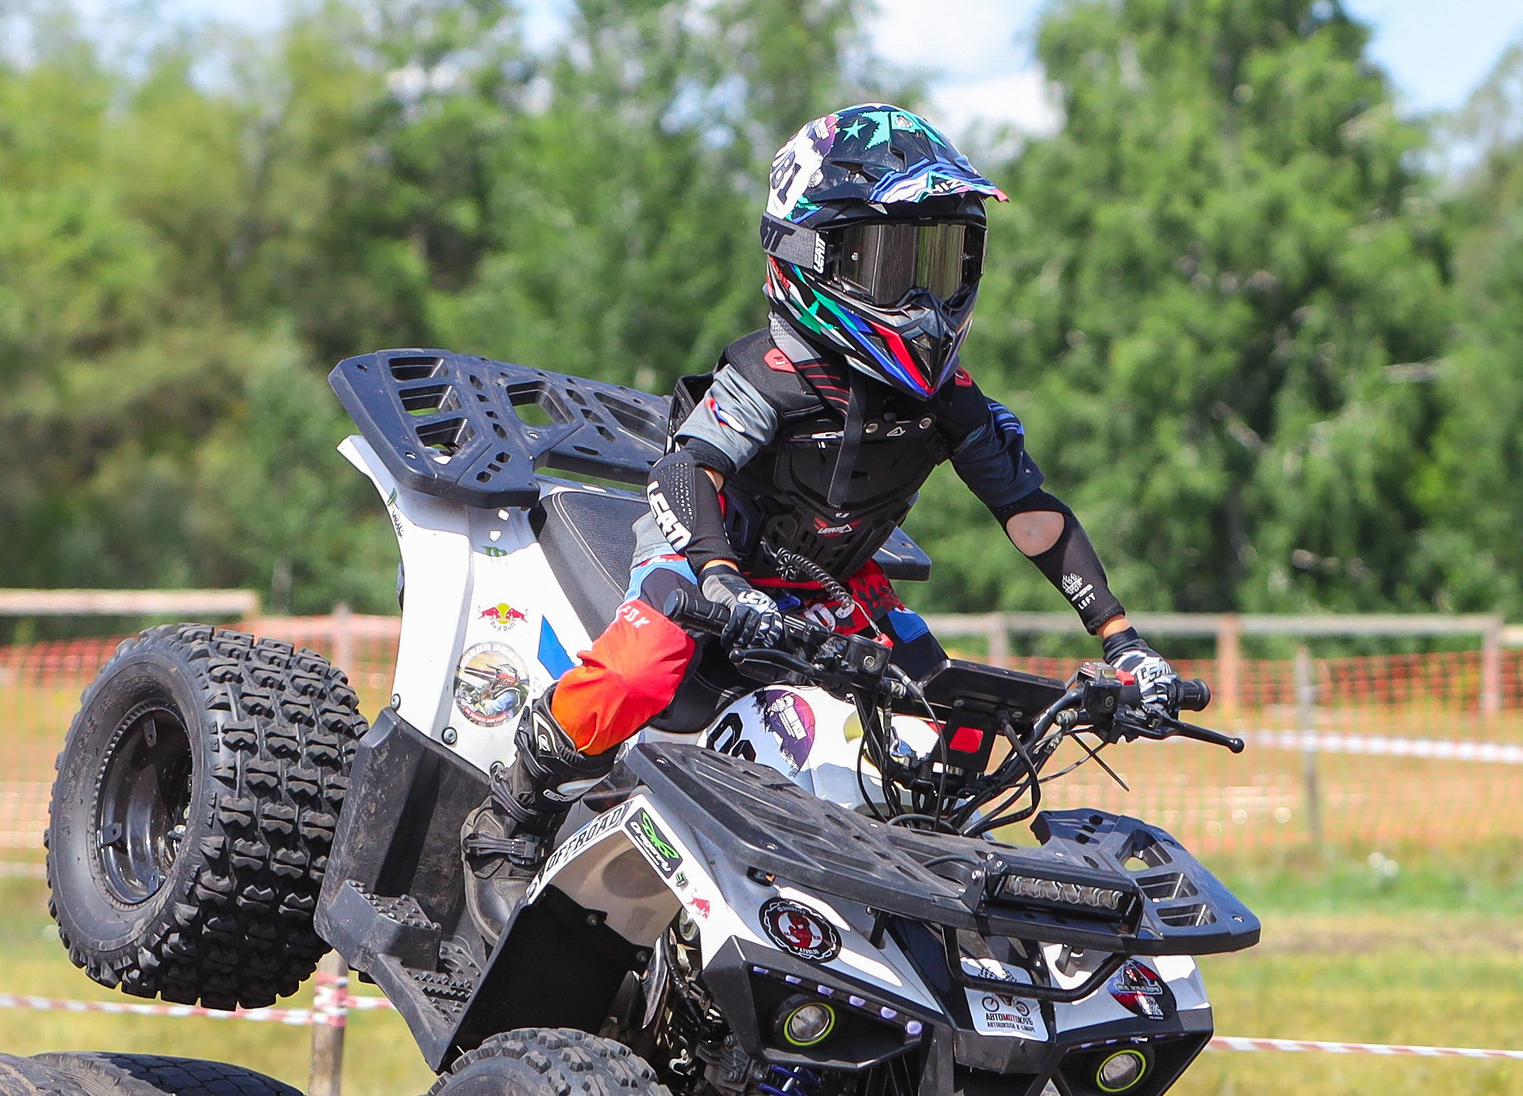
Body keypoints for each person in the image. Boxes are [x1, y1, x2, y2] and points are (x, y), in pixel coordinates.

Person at [463, 103, 1179, 923]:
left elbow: (1032, 512)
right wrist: (723, 584)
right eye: (889, 262)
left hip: (836, 579)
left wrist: (1126, 648)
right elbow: (684, 468)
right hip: (707, 558)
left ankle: (920, 874)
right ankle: (511, 813)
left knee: (951, 708)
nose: (922, 296)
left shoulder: (952, 401)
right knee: (642, 668)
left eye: (940, 260)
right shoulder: (771, 375)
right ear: (807, 256)